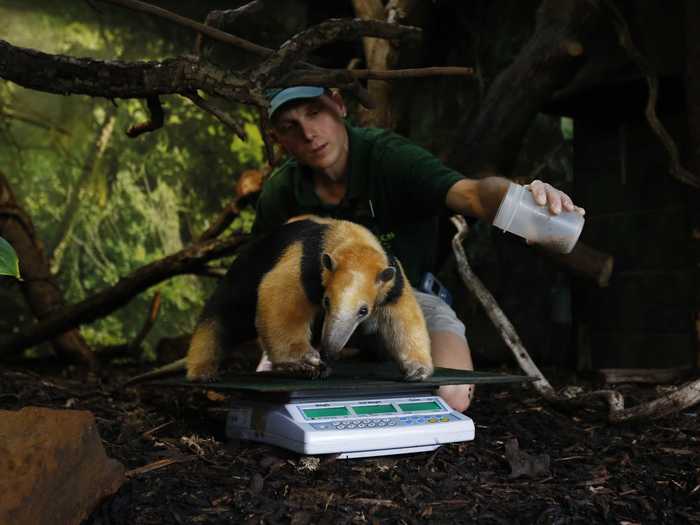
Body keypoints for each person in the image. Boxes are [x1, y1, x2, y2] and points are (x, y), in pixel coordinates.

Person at [252, 86, 584, 412]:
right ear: (277, 138)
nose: (308, 134)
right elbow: (262, 283)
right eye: (289, 127)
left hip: (408, 299)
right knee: (272, 397)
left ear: (338, 104)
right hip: (320, 306)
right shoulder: (280, 194)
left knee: (454, 397)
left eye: (314, 113)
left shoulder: (390, 158)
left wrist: (525, 198)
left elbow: (471, 195)